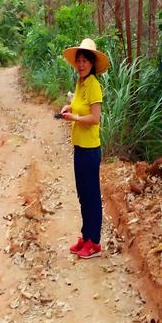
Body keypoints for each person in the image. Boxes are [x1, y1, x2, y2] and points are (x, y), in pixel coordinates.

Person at [59, 38, 110, 259]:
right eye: (78, 61)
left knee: (91, 196)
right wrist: (68, 107)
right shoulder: (80, 83)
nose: (80, 64)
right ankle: (86, 237)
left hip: (90, 149)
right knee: (82, 195)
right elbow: (79, 105)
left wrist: (75, 117)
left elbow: (95, 118)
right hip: (79, 146)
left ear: (92, 63)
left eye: (84, 61)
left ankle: (95, 243)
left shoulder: (93, 85)